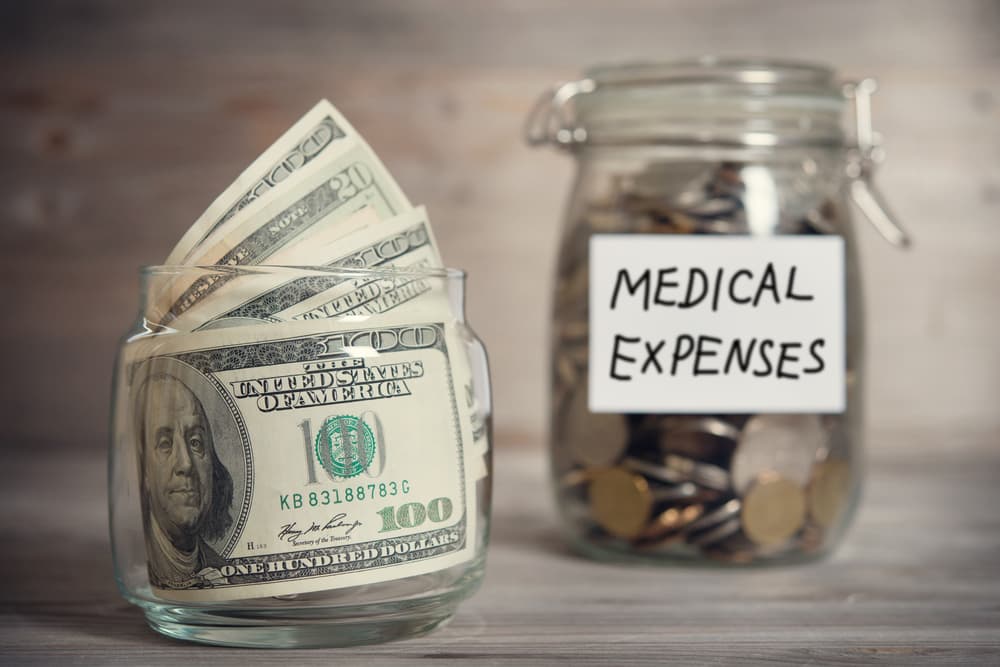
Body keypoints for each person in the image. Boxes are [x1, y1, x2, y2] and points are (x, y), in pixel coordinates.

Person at [136, 373, 234, 589]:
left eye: (196, 442)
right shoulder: (144, 564)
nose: (186, 464)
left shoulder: (226, 572)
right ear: (142, 468)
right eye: (165, 444)